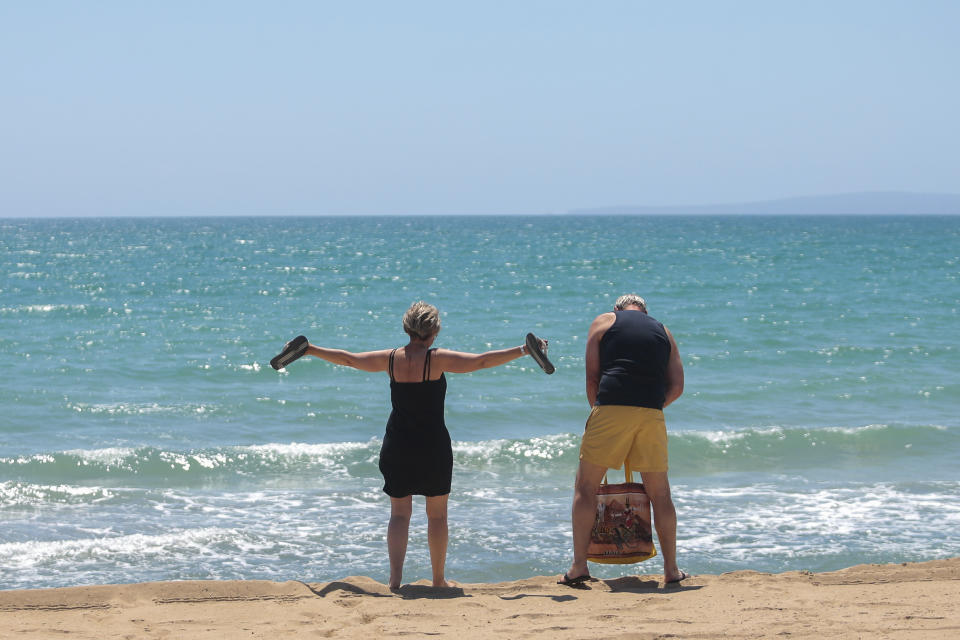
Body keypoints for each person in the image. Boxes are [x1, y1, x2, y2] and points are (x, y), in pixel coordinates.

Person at [302, 301, 546, 590]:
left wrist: (310, 349)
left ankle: (394, 580)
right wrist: (523, 350)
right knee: (438, 516)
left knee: (399, 515)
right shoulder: (437, 359)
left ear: (407, 328)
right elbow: (481, 361)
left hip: (397, 445)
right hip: (432, 447)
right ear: (435, 330)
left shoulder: (391, 359)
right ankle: (438, 580)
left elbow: (349, 359)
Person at [560, 294, 686, 586]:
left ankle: (579, 566)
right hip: (651, 412)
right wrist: (649, 407)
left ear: (618, 308)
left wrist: (601, 412)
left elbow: (592, 377)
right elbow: (677, 386)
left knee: (586, 487)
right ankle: (671, 570)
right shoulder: (664, 331)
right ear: (645, 312)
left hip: (612, 406)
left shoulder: (605, 320)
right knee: (660, 494)